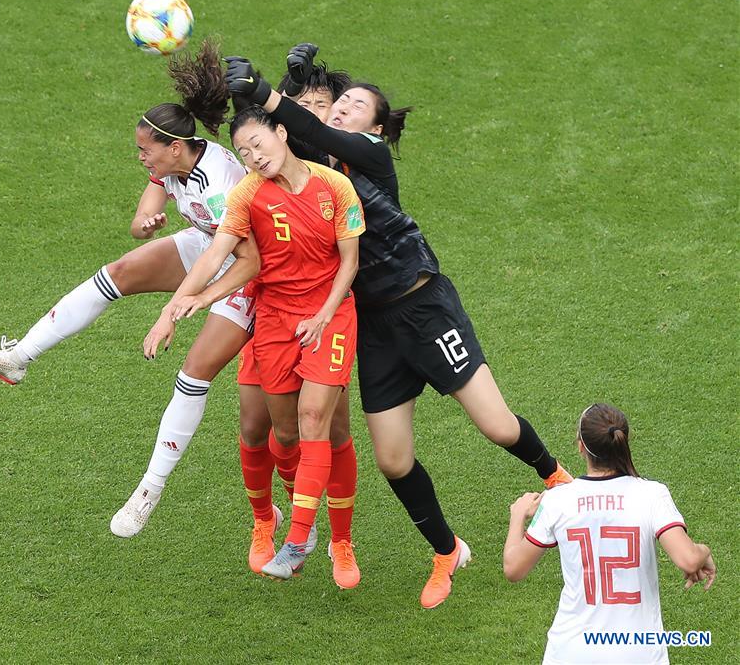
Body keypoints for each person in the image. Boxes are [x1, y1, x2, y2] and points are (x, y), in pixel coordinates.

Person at [225, 48, 573, 608]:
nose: (341, 111)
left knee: (497, 426)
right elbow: (283, 138)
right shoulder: (316, 167)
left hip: (424, 306)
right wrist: (267, 91)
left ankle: (556, 477)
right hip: (375, 326)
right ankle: (446, 551)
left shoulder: (370, 155)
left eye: (356, 106)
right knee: (392, 459)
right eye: (338, 103)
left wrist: (267, 88)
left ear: (378, 127)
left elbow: (310, 127)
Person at [113, 64, 360, 589]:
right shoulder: (248, 194)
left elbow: (350, 262)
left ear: (281, 132)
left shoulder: (335, 187)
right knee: (278, 431)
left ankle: (310, 539)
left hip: (330, 313)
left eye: (256, 144)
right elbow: (217, 255)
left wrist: (323, 313)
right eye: (242, 152)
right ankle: (273, 522)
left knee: (319, 417)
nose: (252, 157)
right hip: (271, 317)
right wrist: (176, 305)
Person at [0, 40, 255, 388]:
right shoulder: (174, 166)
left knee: (195, 375)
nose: (141, 158)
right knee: (119, 272)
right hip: (211, 245)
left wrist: (173, 310)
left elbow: (241, 254)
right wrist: (147, 224)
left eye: (145, 151)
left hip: (246, 266)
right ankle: (17, 359)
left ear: (174, 147)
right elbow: (139, 223)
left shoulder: (216, 187)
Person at [504, 403, 716, 664]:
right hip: (637, 653)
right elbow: (689, 560)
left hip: (571, 651)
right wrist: (703, 551)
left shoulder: (558, 500)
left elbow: (513, 569)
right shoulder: (651, 494)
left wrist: (517, 516)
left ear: (581, 446)